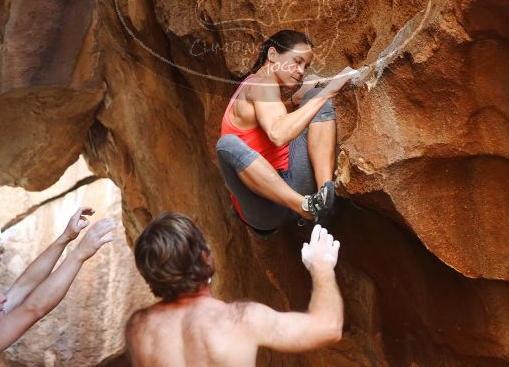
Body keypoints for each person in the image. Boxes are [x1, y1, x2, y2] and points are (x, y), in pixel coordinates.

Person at [125, 212, 342, 366]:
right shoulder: (240, 319)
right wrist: (322, 267)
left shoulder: (138, 328)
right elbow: (328, 327)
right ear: (205, 256)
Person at [216, 30, 356, 233]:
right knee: (226, 146)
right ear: (272, 55)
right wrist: (329, 91)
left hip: (287, 187)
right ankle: (308, 206)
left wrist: (295, 100)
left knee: (314, 98)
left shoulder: (256, 84)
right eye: (297, 61)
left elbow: (271, 121)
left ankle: (324, 197)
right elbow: (277, 133)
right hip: (265, 205)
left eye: (305, 66)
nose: (301, 71)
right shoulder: (261, 85)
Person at [0, 207, 116, 367]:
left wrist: (66, 237)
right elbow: (34, 309)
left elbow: (24, 286)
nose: (3, 298)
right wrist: (79, 254)